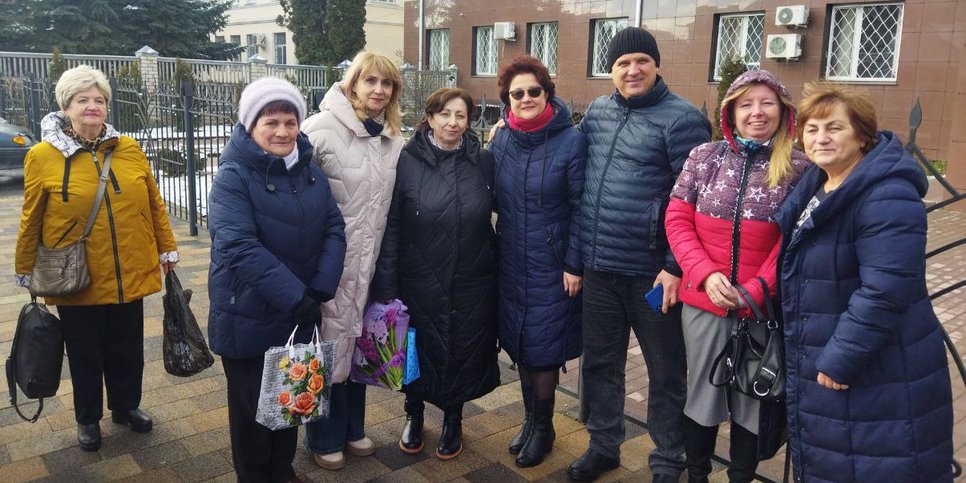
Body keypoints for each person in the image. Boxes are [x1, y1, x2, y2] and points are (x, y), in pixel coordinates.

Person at [775, 82, 953, 482]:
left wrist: (841, 359)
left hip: (870, 366)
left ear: (862, 134)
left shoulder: (886, 193)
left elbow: (886, 288)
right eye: (812, 128)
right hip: (827, 355)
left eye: (834, 128)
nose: (821, 138)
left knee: (874, 461)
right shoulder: (819, 186)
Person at [568, 27, 711, 482]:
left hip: (653, 276)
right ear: (611, 70)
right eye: (622, 63)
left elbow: (693, 202)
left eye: (641, 62)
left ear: (656, 65)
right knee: (601, 363)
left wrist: (673, 266)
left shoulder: (682, 119)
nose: (632, 70)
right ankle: (603, 444)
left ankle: (668, 461)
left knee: (666, 372)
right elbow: (573, 160)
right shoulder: (598, 112)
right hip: (600, 267)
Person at [14, 65, 179, 452]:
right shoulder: (42, 156)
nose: (93, 106)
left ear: (108, 107)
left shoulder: (129, 149)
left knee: (128, 349)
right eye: (82, 100)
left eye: (99, 100)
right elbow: (31, 217)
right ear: (66, 107)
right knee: (86, 354)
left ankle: (125, 407)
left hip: (129, 271)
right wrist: (25, 268)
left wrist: (166, 246)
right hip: (78, 276)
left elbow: (154, 203)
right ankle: (88, 418)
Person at [664, 70, 810, 482]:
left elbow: (794, 238)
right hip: (704, 301)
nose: (756, 112)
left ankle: (741, 477)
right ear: (730, 112)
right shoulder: (703, 157)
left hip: (759, 307)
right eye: (746, 104)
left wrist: (757, 289)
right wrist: (704, 274)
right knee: (703, 394)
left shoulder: (801, 168)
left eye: (766, 103)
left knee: (752, 397)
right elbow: (677, 218)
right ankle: (696, 474)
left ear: (783, 111)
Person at [207, 77, 347, 482]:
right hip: (249, 313)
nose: (282, 131)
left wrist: (320, 286)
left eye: (290, 121)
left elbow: (334, 228)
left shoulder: (309, 170)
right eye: (271, 122)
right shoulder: (233, 175)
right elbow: (236, 245)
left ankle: (282, 471)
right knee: (253, 414)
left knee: (289, 401)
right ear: (251, 126)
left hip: (298, 308)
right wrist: (294, 295)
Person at [370, 87, 500, 461]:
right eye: (444, 114)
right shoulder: (406, 160)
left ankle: (454, 418)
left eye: (460, 115)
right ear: (429, 117)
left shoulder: (483, 161)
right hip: (418, 276)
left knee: (462, 349)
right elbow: (393, 224)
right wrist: (388, 283)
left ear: (469, 121)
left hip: (472, 279)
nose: (452, 123)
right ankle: (414, 413)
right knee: (417, 348)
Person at [301, 51, 405, 470]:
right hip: (329, 261)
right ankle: (322, 435)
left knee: (358, 343)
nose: (379, 90)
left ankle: (352, 427)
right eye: (371, 81)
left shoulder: (392, 137)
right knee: (327, 345)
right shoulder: (320, 130)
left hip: (370, 260)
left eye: (387, 84)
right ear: (353, 84)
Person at [487, 54, 587, 468]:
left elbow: (583, 207)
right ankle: (530, 421)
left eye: (534, 91)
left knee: (544, 348)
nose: (526, 98)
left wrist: (575, 263)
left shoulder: (570, 140)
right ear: (507, 99)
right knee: (523, 343)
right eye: (517, 93)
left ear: (547, 94)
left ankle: (545, 429)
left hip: (553, 261)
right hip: (510, 256)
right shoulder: (502, 139)